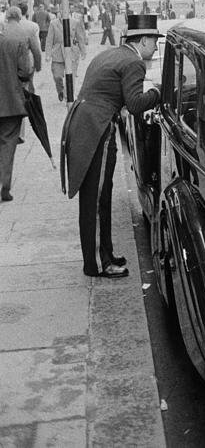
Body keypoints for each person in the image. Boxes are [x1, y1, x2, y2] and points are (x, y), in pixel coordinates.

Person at [60, 14, 161, 278]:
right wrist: (159, 93)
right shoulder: (133, 63)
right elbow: (136, 104)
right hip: (96, 129)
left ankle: (105, 253)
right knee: (95, 199)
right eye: (154, 41)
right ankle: (96, 263)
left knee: (102, 196)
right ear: (144, 40)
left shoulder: (112, 54)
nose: (156, 48)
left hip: (86, 124)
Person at [0, 7, 34, 201]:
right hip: (10, 103)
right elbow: (24, 72)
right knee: (7, 144)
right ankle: (4, 186)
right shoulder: (16, 43)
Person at [45, 8, 88, 101]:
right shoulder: (53, 23)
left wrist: (83, 51)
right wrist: (48, 54)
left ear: (69, 13)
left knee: (71, 76)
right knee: (57, 75)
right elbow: (49, 40)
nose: (62, 13)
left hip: (72, 52)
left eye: (65, 11)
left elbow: (80, 38)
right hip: (57, 52)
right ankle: (60, 90)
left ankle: (69, 96)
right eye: (60, 11)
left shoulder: (75, 22)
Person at [13, 4, 42, 92]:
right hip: (28, 60)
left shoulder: (9, 26)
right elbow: (36, 48)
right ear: (27, 12)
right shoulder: (33, 26)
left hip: (12, 60)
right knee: (28, 83)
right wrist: (38, 65)